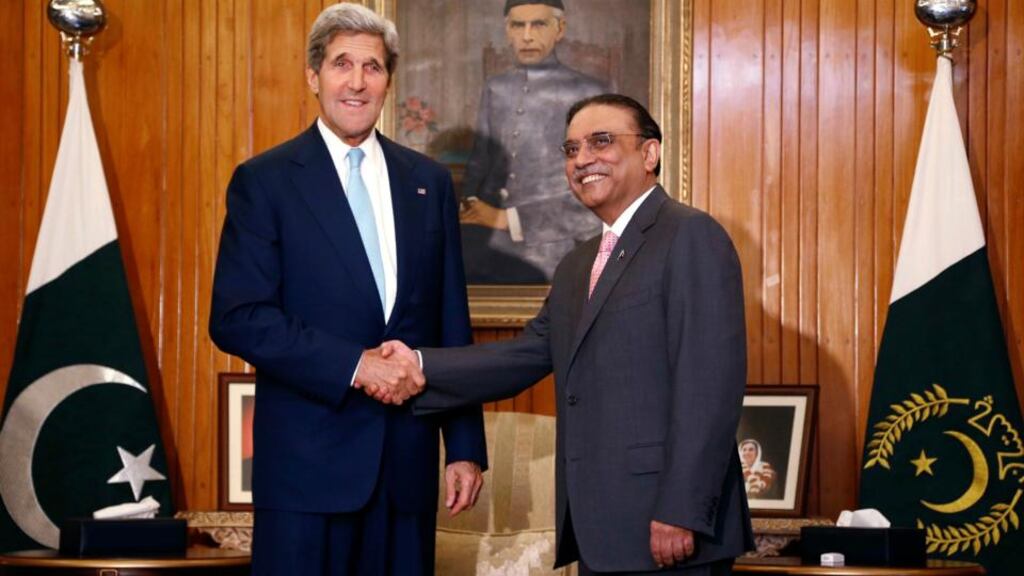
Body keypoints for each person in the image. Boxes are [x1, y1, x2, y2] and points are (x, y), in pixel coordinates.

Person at [382, 94, 754, 574]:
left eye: (601, 142)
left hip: (669, 527)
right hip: (601, 529)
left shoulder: (690, 236)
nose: (582, 159)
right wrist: (418, 364)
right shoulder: (580, 263)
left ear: (650, 154)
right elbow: (527, 354)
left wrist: (681, 510)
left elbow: (709, 388)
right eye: (571, 149)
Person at [208, 4, 487, 574]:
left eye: (373, 67)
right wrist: (355, 366)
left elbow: (449, 320)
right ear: (314, 76)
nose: (357, 81)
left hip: (406, 471)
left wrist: (464, 446)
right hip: (307, 473)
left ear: (388, 79)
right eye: (342, 64)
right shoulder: (265, 181)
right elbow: (238, 316)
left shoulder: (428, 182)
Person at [459, 0, 607, 283]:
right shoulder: (496, 88)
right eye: (518, 25)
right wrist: (468, 213)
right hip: (489, 250)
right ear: (507, 30)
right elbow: (480, 163)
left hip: (555, 249)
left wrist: (507, 219)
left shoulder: (589, 92)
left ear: (559, 29)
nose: (527, 35)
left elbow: (595, 184)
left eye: (538, 24)